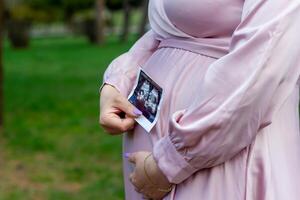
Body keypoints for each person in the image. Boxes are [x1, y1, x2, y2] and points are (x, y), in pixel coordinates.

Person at [99, 0, 300, 199]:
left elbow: (264, 59)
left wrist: (171, 160)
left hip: (218, 151)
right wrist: (120, 80)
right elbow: (166, 32)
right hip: (162, 153)